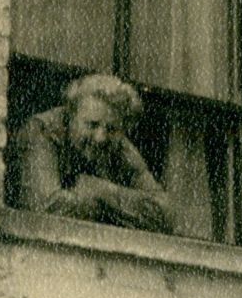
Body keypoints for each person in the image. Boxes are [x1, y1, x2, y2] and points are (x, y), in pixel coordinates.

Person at [9, 74, 174, 234]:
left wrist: (100, 190)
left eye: (111, 128)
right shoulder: (41, 131)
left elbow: (165, 214)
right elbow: (46, 207)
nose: (101, 137)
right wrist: (118, 208)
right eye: (92, 125)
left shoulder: (118, 144)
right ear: (71, 114)